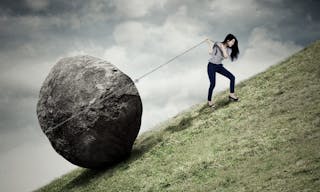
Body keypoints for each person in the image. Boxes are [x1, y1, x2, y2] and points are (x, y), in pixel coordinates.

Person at [205, 33, 240, 108]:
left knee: (232, 77)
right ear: (228, 40)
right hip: (211, 66)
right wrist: (208, 43)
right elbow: (211, 53)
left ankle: (231, 94)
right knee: (213, 84)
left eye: (234, 43)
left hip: (219, 66)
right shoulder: (217, 43)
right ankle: (209, 101)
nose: (233, 44)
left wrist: (222, 47)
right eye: (232, 42)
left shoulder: (229, 49)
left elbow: (225, 56)